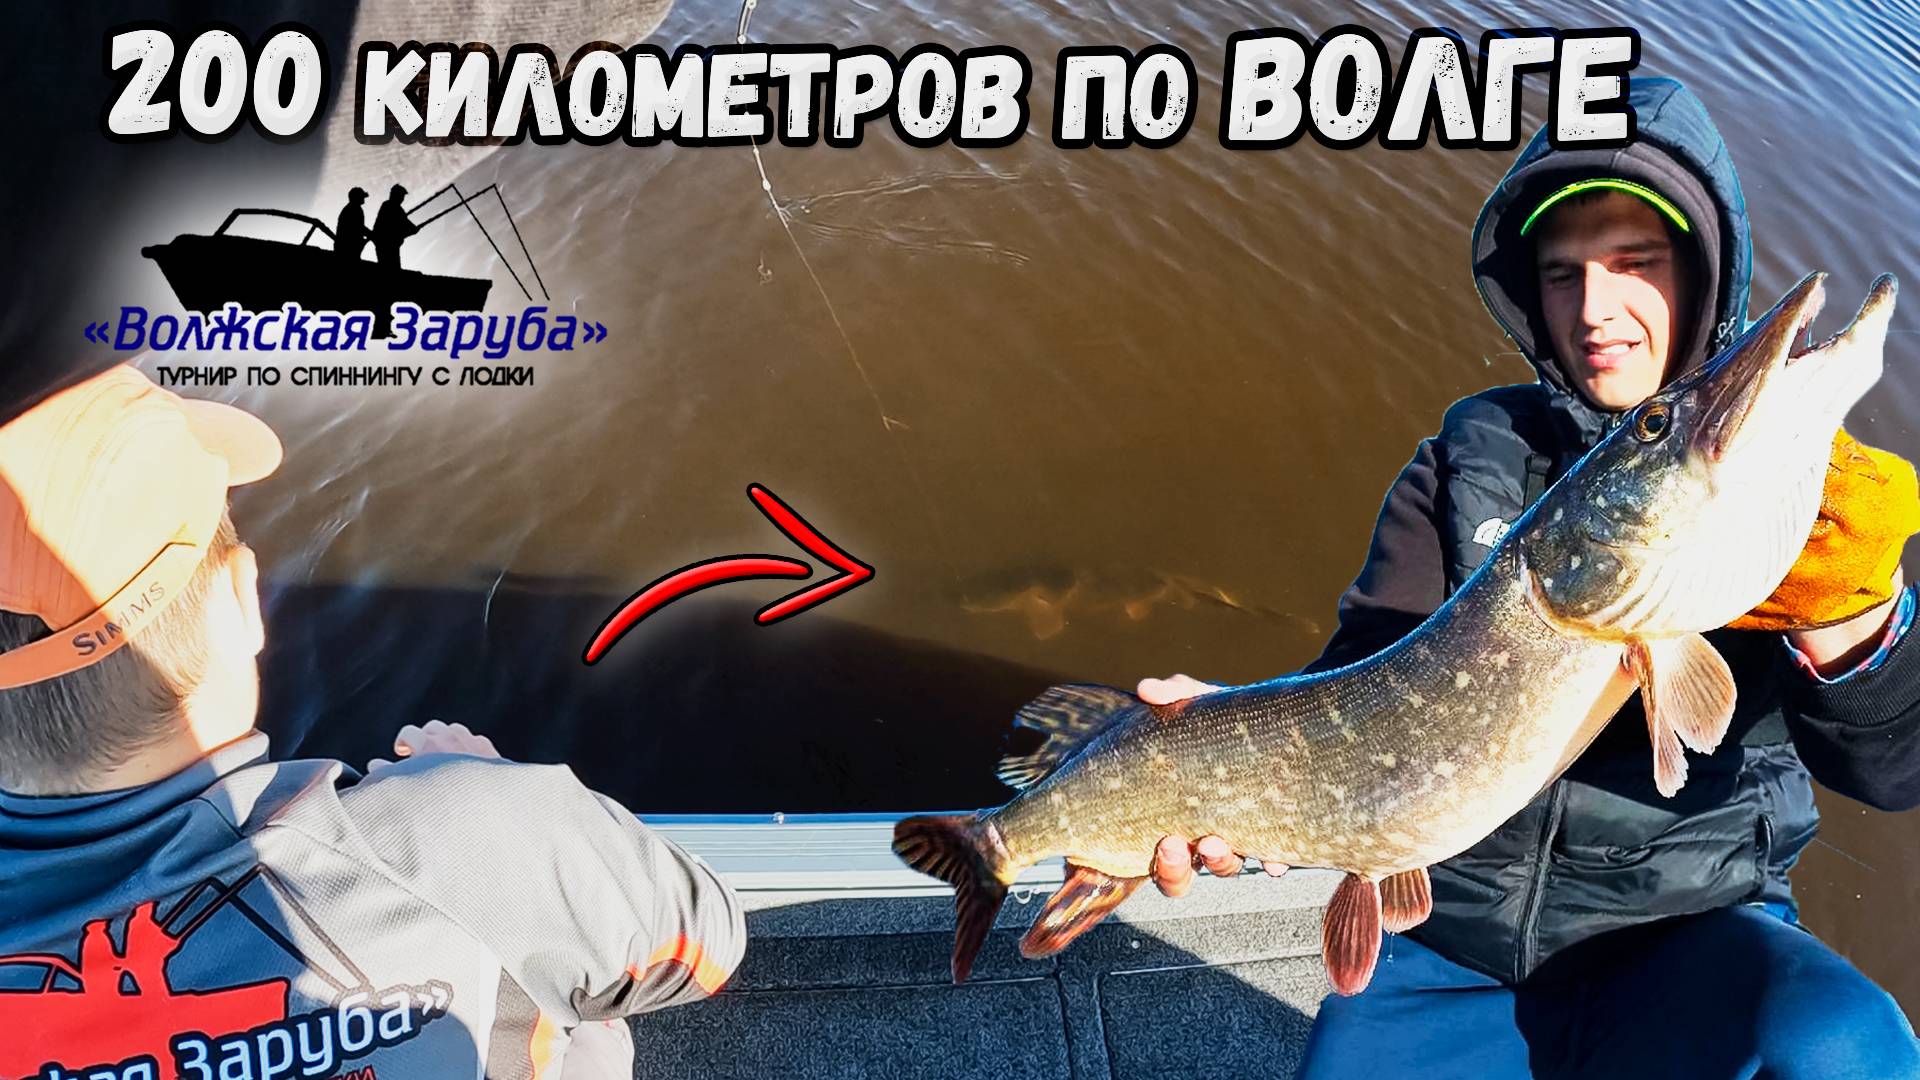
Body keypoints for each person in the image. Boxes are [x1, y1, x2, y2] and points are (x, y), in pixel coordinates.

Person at [1141, 77, 1920, 1079]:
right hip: (1446, 936)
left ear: (1703, 275)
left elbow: (1894, 773)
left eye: (1635, 263)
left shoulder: (1798, 493)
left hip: (1688, 931)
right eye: (1563, 274)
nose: (1596, 310)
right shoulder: (1468, 455)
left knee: (1845, 1050)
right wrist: (1221, 736)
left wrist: (1850, 622)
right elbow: (1362, 679)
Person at [0, 364, 744, 1079]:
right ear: (240, 600)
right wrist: (491, 789)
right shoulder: (470, 834)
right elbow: (709, 936)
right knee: (579, 1013)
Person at [373, 183, 419, 269]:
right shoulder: (389, 206)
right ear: (395, 195)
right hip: (386, 244)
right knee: (390, 267)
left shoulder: (395, 208)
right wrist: (413, 229)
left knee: (392, 267)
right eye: (401, 196)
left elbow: (405, 222)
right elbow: (404, 222)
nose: (402, 199)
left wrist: (413, 229)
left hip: (389, 244)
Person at [336, 186, 371, 261]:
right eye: (362, 196)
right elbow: (358, 227)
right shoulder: (354, 208)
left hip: (348, 246)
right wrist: (371, 234)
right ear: (357, 197)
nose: (363, 198)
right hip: (347, 247)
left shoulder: (353, 208)